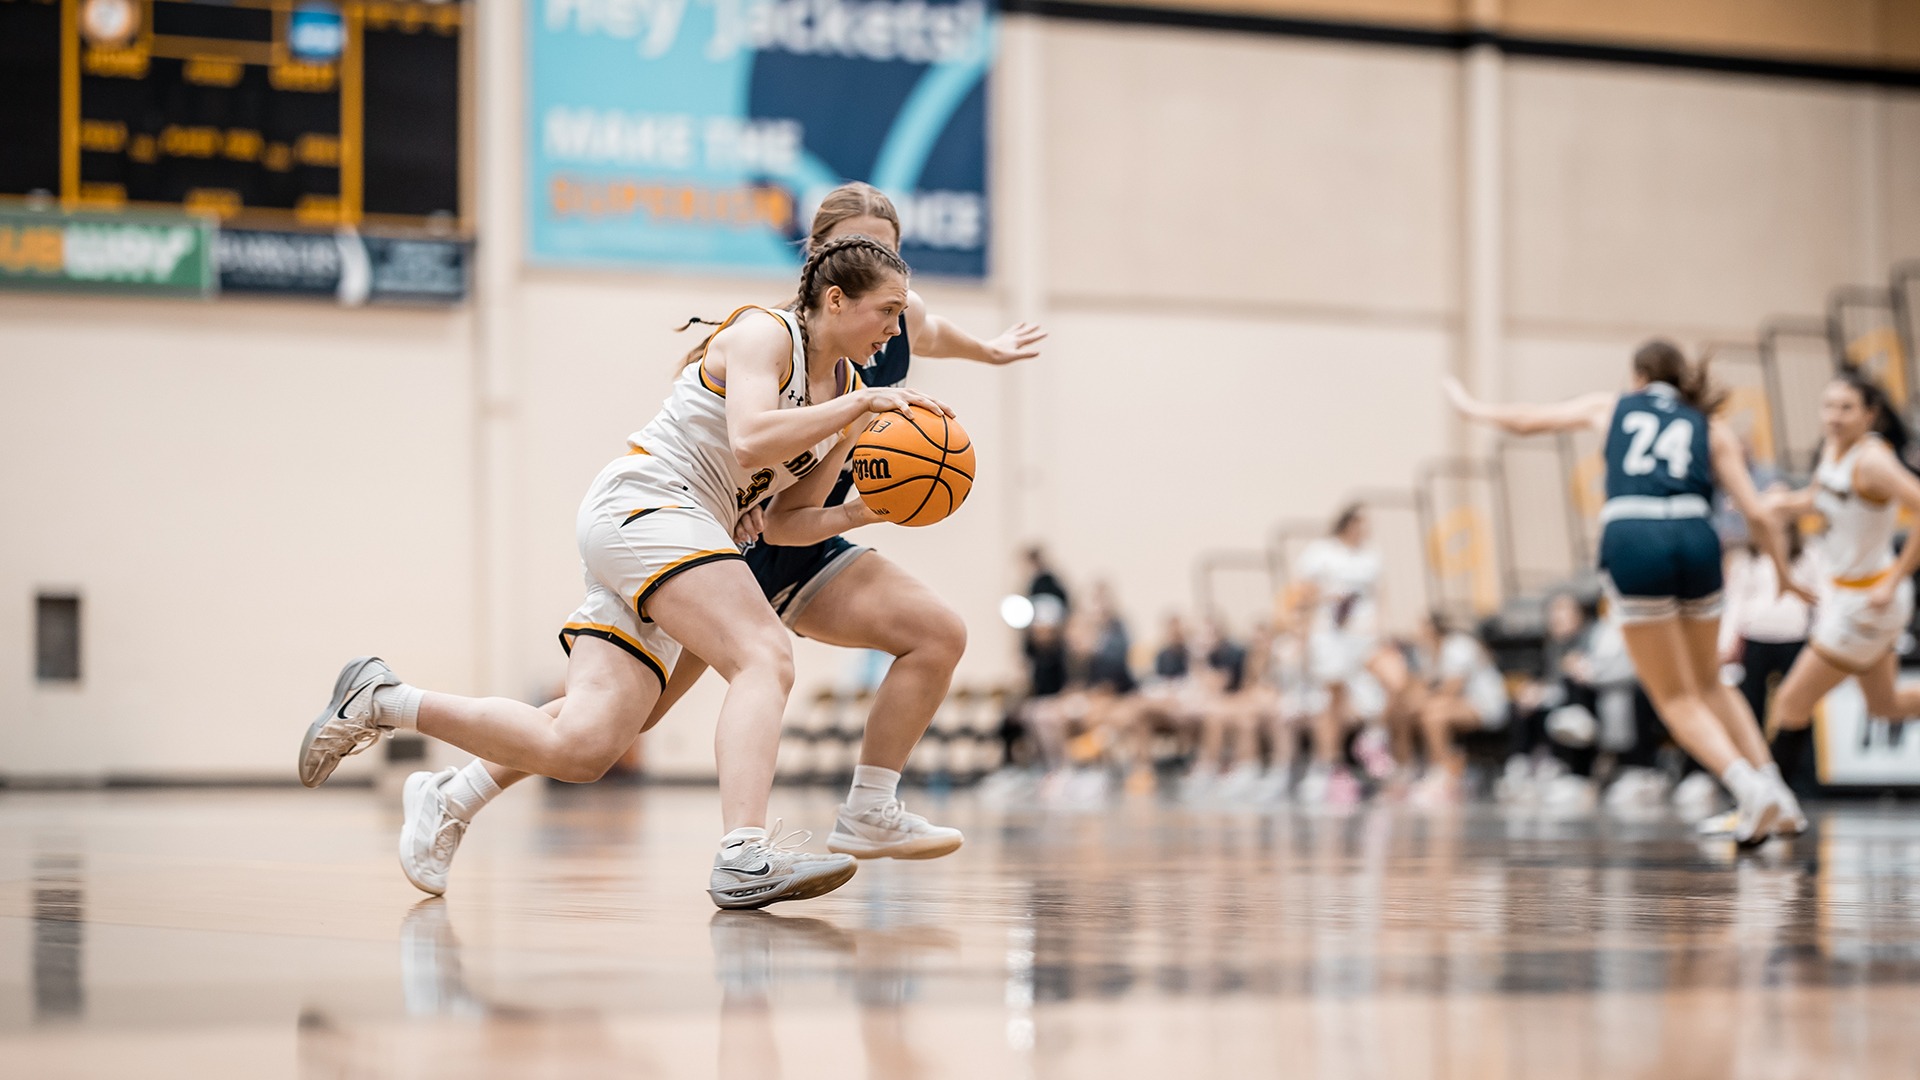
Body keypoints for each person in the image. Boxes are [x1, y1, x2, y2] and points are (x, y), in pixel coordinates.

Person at [384, 184, 1044, 898]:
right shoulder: (775, 336)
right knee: (670, 698)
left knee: (596, 738)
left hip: (760, 520)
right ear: (828, 269)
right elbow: (752, 434)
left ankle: (868, 806)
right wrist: (858, 408)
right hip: (677, 513)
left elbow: (921, 345)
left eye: (891, 249)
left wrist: (982, 364)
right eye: (867, 251)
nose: (886, 271)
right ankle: (735, 849)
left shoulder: (885, 328)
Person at [1444, 339, 1813, 844]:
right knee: (1711, 682)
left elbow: (1529, 420)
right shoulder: (1710, 425)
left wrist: (1471, 407)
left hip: (1634, 533)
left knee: (1675, 697)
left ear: (1638, 375)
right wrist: (1785, 574)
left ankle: (1750, 789)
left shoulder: (1612, 406)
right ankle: (1778, 793)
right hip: (1697, 534)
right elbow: (1755, 512)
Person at [1761, 371, 1920, 813]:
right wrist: (1785, 502)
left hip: (1869, 601)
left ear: (1870, 414)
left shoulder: (1873, 462)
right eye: (1828, 405)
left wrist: (1892, 580)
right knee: (1886, 705)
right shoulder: (1833, 450)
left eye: (1846, 408)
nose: (1834, 416)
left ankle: (1767, 808)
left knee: (1791, 701)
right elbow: (1821, 495)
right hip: (1852, 597)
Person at [1293, 505, 1409, 805]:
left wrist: (1383, 625)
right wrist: (1327, 598)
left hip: (1364, 634)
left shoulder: (1371, 556)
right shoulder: (1321, 553)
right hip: (1330, 634)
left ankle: (1374, 736)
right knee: (1334, 701)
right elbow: (1301, 594)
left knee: (1396, 679)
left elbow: (1380, 594)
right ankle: (1328, 765)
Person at [1407, 614, 1509, 804]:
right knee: (1422, 711)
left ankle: (1444, 775)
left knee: (1434, 715)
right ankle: (1426, 768)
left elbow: (1452, 689)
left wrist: (1420, 701)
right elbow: (1423, 684)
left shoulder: (1459, 647)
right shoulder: (1428, 652)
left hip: (1485, 705)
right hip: (1459, 704)